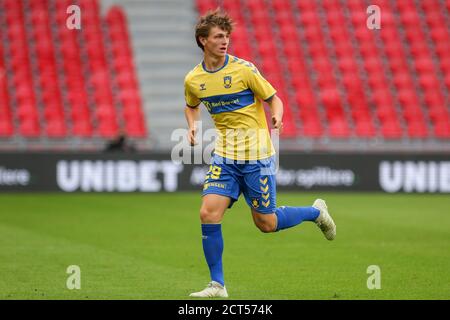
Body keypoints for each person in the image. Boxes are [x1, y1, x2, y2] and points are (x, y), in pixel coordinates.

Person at [184, 9, 336, 298]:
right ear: (203, 41)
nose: (225, 41)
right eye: (218, 36)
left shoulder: (244, 70)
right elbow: (191, 104)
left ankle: (316, 212)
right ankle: (217, 285)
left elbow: (273, 99)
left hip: (257, 157)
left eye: (227, 36)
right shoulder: (194, 79)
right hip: (225, 157)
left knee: (266, 224)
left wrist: (277, 117)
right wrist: (192, 126)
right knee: (207, 213)